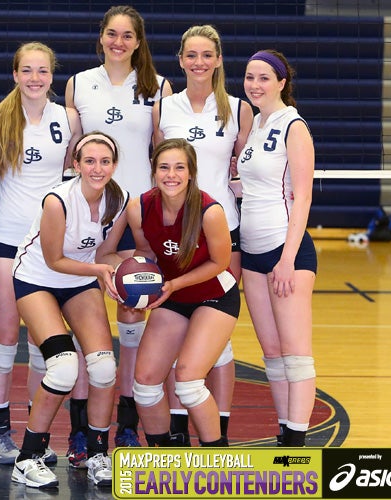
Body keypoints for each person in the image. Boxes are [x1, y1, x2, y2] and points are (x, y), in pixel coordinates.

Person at [64, 4, 172, 459]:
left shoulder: (157, 87)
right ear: (102, 37)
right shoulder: (78, 83)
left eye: (128, 35)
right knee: (85, 327)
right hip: (89, 213)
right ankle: (82, 431)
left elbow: (169, 149)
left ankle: (127, 423)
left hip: (139, 214)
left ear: (139, 41)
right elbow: (69, 151)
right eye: (112, 33)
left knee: (131, 316)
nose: (119, 42)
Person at [0, 41, 82, 466]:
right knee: (5, 338)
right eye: (27, 70)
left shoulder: (68, 118)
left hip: (48, 246)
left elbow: (77, 177)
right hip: (5, 239)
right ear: (16, 74)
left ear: (52, 75)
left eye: (42, 71)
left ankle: (32, 435)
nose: (35, 78)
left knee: (44, 346)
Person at [153, 24, 253, 446]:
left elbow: (242, 165)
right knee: (177, 329)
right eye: (191, 55)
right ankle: (177, 428)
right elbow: (158, 164)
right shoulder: (165, 106)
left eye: (206, 55)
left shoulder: (237, 108)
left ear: (217, 59)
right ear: (180, 60)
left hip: (221, 230)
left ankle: (220, 432)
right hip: (175, 233)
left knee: (217, 335)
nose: (199, 62)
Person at [10, 132, 127, 489]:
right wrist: (99, 271)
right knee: (63, 369)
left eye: (105, 161)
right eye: (89, 161)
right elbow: (54, 259)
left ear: (114, 165)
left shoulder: (117, 199)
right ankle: (27, 458)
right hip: (36, 279)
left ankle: (96, 453)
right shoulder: (57, 201)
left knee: (105, 367)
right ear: (75, 165)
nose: (97, 168)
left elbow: (104, 254)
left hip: (78, 280)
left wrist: (128, 268)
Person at [127, 138, 240, 447]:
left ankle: (217, 458)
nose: (171, 175)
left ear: (191, 173)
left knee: (188, 383)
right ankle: (167, 456)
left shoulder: (210, 211)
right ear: (154, 171)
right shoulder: (139, 208)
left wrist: (174, 283)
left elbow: (221, 262)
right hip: (172, 297)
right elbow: (145, 251)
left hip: (213, 296)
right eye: (164, 167)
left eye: (180, 167)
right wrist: (132, 281)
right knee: (146, 385)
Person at [238, 49, 317, 447]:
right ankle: (287, 427)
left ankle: (296, 444)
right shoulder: (255, 123)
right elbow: (252, 186)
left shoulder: (293, 125)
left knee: (296, 351)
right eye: (250, 77)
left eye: (264, 77)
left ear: (282, 82)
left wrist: (287, 259)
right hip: (251, 254)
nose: (255, 85)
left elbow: (302, 197)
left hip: (285, 251)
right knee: (271, 351)